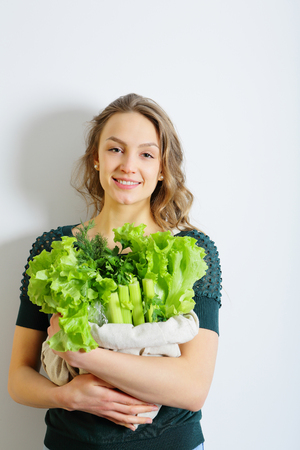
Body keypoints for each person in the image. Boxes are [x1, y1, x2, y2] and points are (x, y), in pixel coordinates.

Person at [8, 93, 222, 450]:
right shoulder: (53, 248)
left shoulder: (190, 250)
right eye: (115, 149)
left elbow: (193, 389)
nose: (128, 166)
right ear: (96, 158)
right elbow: (18, 379)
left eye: (147, 154)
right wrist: (69, 397)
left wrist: (83, 355)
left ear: (162, 169)